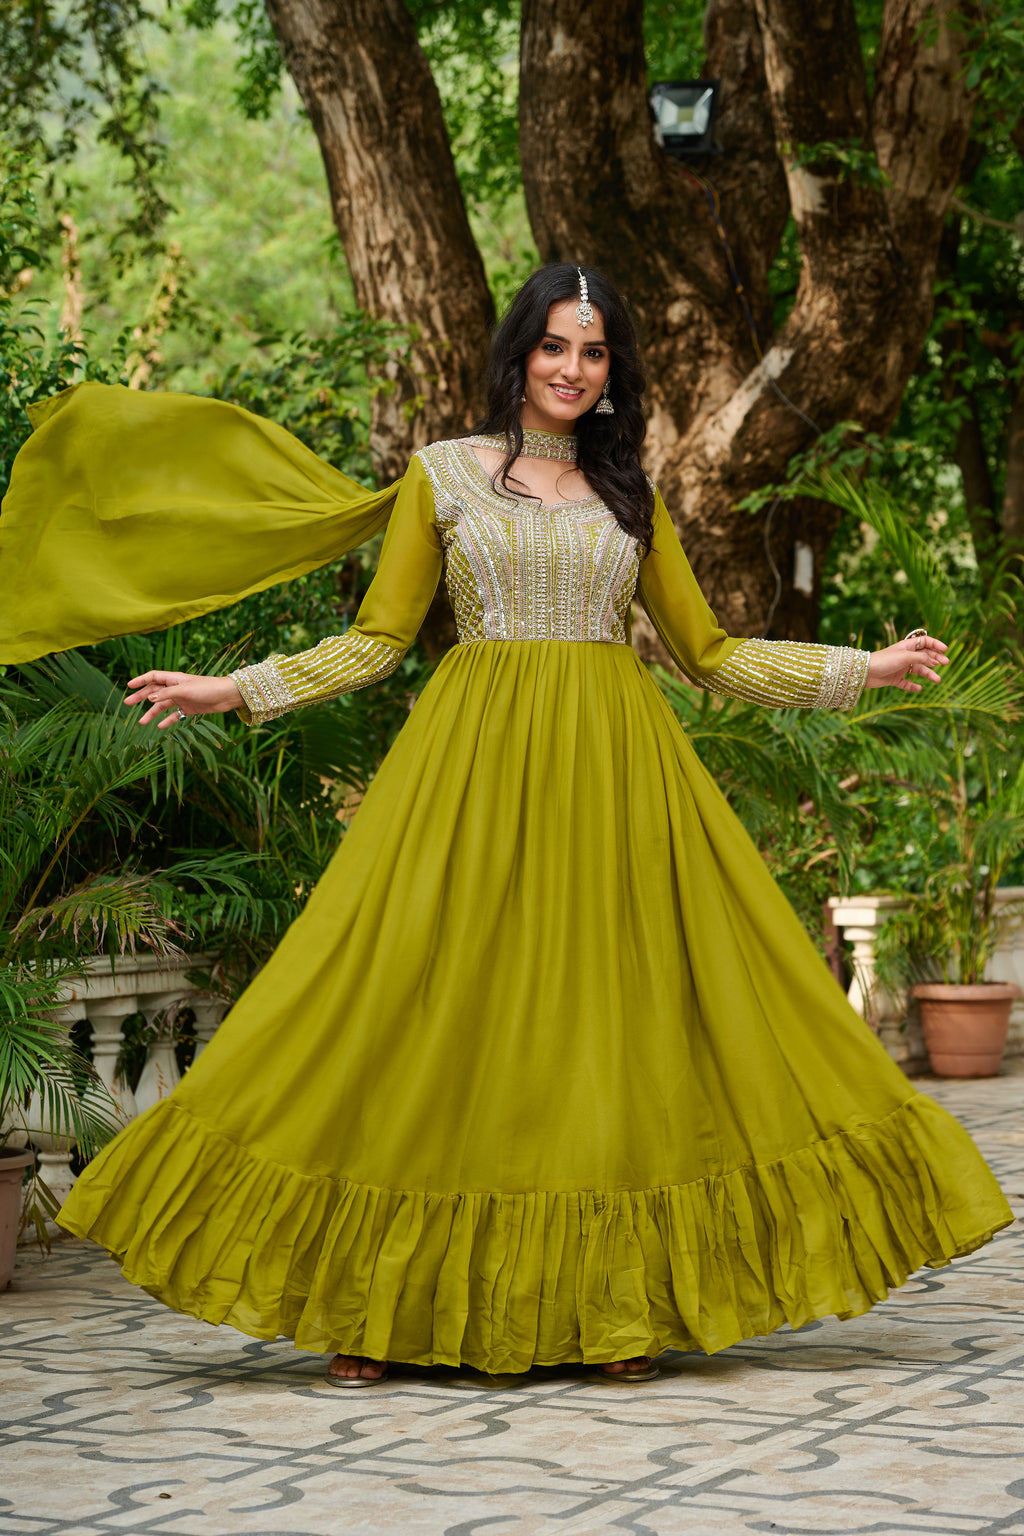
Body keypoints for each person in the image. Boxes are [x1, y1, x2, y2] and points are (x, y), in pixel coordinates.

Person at [5, 264, 1010, 1389]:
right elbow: (378, 641)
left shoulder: (632, 500)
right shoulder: (443, 475)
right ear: (518, 354)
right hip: (468, 778)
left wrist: (861, 669)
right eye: (555, 346)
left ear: (612, 371)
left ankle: (612, 1305)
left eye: (594, 352)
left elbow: (714, 656)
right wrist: (234, 689)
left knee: (606, 1029)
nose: (573, 369)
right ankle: (371, 1303)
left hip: (618, 783)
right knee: (413, 1006)